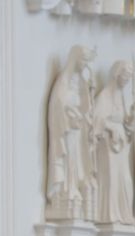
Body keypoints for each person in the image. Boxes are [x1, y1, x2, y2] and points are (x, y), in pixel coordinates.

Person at [45, 45, 96, 221]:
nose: (84, 64)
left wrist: (88, 99)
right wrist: (70, 114)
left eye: (87, 61)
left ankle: (74, 189)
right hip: (66, 130)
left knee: (77, 160)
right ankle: (67, 190)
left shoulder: (81, 82)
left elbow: (86, 108)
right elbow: (58, 105)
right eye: (83, 60)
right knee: (68, 159)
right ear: (75, 59)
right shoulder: (64, 81)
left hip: (77, 131)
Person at [93, 60, 135, 227]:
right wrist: (111, 128)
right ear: (117, 74)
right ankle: (109, 215)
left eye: (130, 77)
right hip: (108, 145)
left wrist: (132, 117)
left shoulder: (122, 97)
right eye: (125, 75)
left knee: (125, 180)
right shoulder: (105, 95)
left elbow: (126, 125)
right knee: (111, 178)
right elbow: (96, 119)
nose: (127, 79)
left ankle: (124, 214)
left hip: (121, 146)